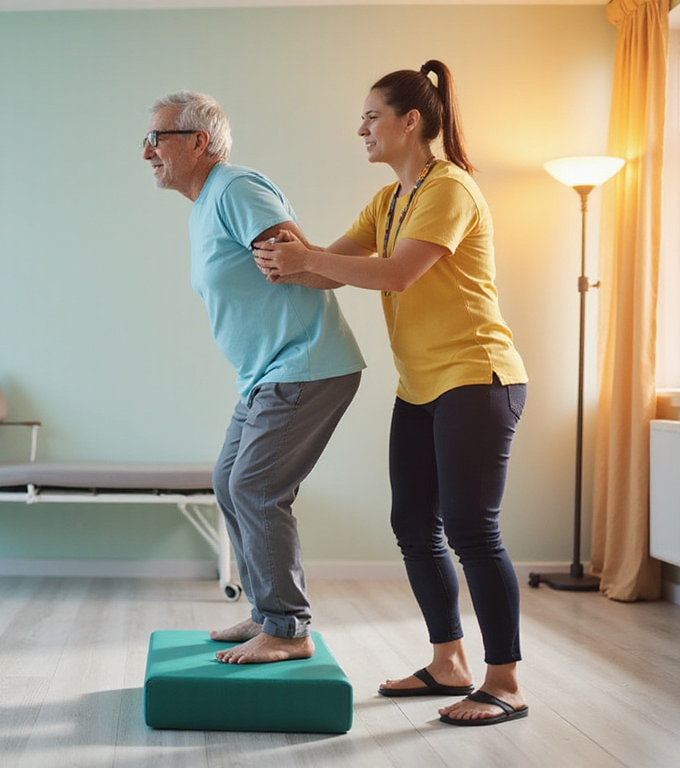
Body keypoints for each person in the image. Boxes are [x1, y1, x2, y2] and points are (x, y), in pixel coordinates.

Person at [253, 61, 530, 725]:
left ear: (411, 122)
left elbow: (398, 274)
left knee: (470, 527)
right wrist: (286, 255)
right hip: (422, 384)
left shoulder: (450, 188)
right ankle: (448, 662)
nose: (361, 129)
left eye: (371, 116)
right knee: (412, 524)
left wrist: (310, 259)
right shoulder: (388, 201)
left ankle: (506, 681)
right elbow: (332, 271)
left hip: (477, 376)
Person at [144, 91, 365, 664]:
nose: (147, 152)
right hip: (266, 375)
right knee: (229, 483)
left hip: (306, 364)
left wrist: (332, 267)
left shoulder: (236, 188)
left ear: (198, 141)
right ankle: (269, 613)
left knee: (257, 489)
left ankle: (289, 629)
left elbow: (305, 265)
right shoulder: (205, 205)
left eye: (157, 138)